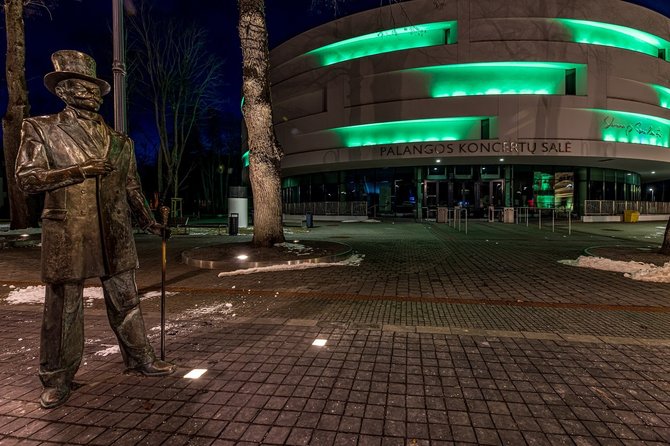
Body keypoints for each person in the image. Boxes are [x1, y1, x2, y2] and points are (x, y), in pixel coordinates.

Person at [15, 50, 175, 409]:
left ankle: (140, 358)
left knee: (126, 301)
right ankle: (57, 378)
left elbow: (131, 188)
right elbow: (26, 179)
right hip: (70, 231)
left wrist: (150, 222)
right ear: (63, 91)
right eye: (78, 86)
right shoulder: (41, 128)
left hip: (115, 233)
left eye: (93, 87)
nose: (88, 93)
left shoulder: (120, 141)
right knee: (63, 308)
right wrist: (78, 170)